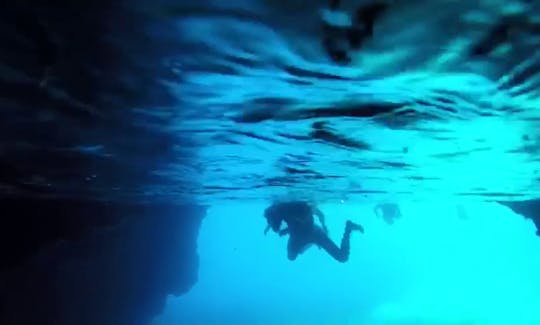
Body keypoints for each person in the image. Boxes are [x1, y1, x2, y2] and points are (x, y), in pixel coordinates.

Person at [263, 201, 364, 262]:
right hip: (298, 235)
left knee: (342, 257)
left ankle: (348, 228)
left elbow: (319, 214)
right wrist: (271, 224)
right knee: (291, 257)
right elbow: (275, 219)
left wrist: (324, 226)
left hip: (314, 233)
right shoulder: (281, 209)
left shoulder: (302, 207)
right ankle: (312, 242)